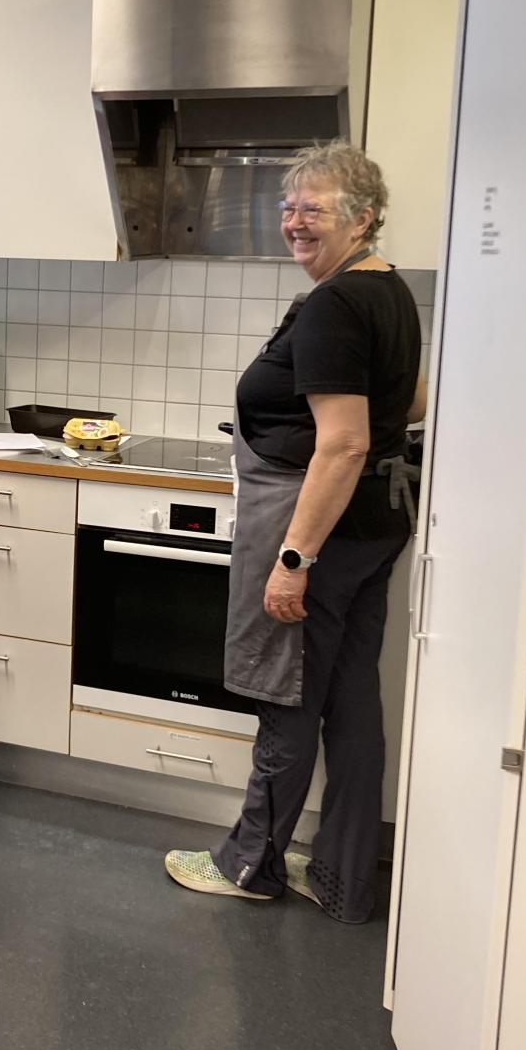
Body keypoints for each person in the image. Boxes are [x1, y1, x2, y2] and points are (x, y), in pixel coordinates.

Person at [165, 142, 426, 924]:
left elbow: (342, 444)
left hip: (323, 527)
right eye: (289, 206)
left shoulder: (337, 302)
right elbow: (409, 399)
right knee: (350, 698)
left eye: (315, 208)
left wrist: (293, 557)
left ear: (364, 217)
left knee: (287, 693)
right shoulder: (388, 288)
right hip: (376, 520)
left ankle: (250, 862)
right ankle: (343, 874)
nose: (295, 221)